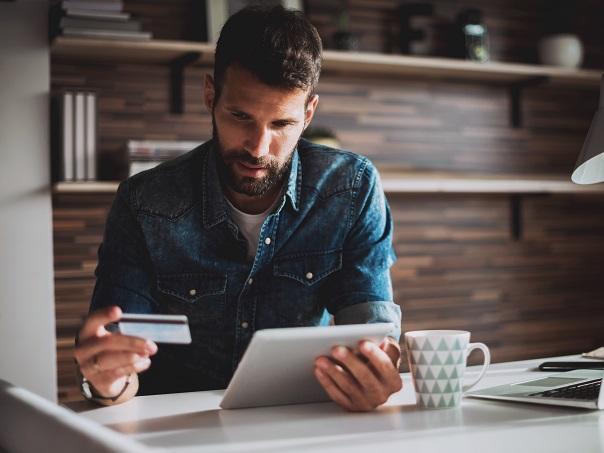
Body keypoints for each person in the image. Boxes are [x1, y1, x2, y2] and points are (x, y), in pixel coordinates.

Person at [74, 5, 402, 412]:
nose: (258, 147)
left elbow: (371, 332)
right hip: (177, 431)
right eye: (240, 116)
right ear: (211, 95)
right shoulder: (145, 202)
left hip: (297, 423)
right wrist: (106, 383)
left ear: (308, 114)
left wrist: (374, 372)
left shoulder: (351, 189)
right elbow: (115, 364)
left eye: (281, 124)